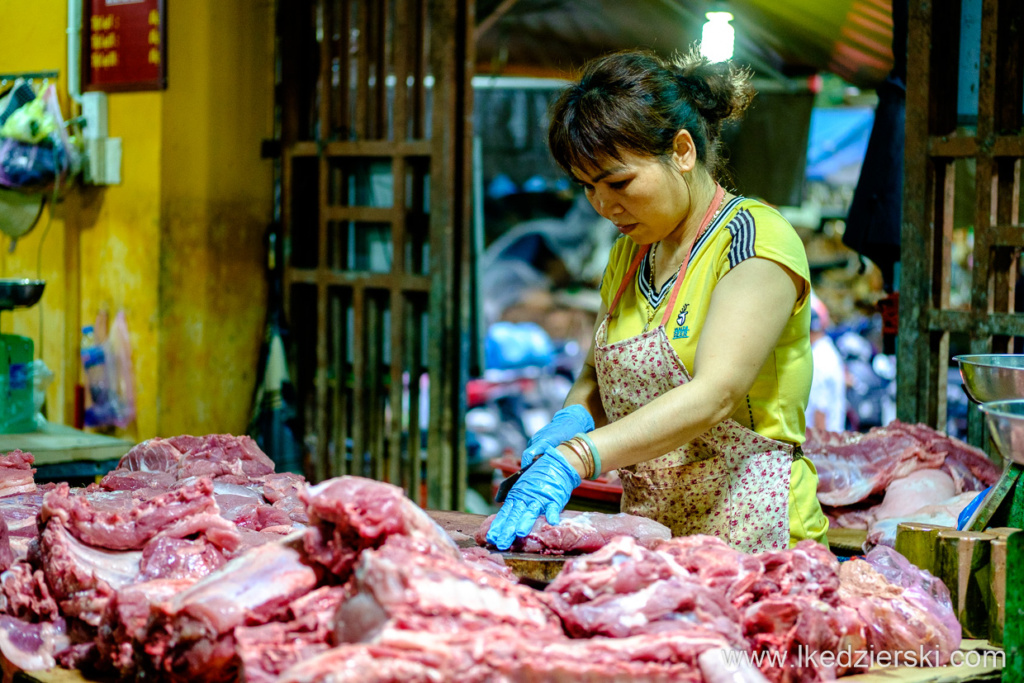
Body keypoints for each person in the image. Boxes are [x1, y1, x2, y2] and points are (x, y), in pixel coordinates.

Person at [486, 48, 829, 554]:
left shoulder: (753, 238)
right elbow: (594, 377)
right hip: (655, 546)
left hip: (761, 544)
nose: (604, 206)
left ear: (683, 151)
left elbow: (716, 393)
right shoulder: (629, 254)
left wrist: (578, 457)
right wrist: (572, 419)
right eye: (588, 188)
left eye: (618, 182)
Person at [806, 294, 847, 432]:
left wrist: (819, 451)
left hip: (822, 442)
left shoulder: (817, 359)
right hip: (833, 437)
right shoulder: (829, 350)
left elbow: (820, 411)